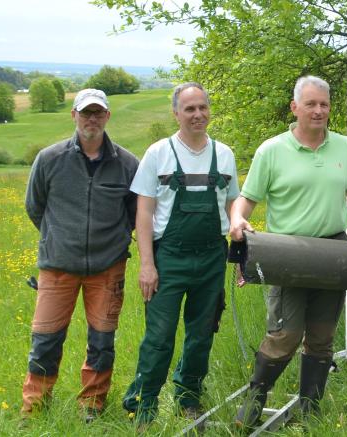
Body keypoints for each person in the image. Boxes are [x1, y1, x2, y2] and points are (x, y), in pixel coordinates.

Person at [230, 75, 347, 426]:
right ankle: (254, 401)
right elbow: (246, 199)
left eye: (324, 104)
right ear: (295, 107)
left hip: (334, 252)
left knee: (322, 337)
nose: (318, 111)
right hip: (287, 255)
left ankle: (310, 409)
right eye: (311, 104)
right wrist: (238, 219)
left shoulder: (344, 147)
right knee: (285, 335)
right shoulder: (272, 150)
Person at [120, 83, 239, 425]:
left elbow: (233, 203)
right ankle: (144, 404)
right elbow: (143, 212)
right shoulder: (159, 153)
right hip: (168, 257)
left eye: (202, 107)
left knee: (202, 335)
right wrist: (147, 264)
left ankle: (189, 398)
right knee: (159, 338)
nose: (198, 114)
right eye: (189, 109)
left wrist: (239, 225)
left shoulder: (224, 154)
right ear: (176, 113)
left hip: (211, 257)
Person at [22, 89, 139, 421]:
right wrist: (60, 239)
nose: (92, 119)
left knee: (101, 341)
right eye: (85, 112)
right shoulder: (49, 158)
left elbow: (135, 213)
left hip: (108, 269)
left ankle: (92, 406)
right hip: (58, 267)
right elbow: (35, 207)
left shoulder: (128, 163)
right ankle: (34, 408)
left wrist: (114, 244)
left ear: (107, 116)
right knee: (45, 339)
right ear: (73, 115)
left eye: (97, 113)